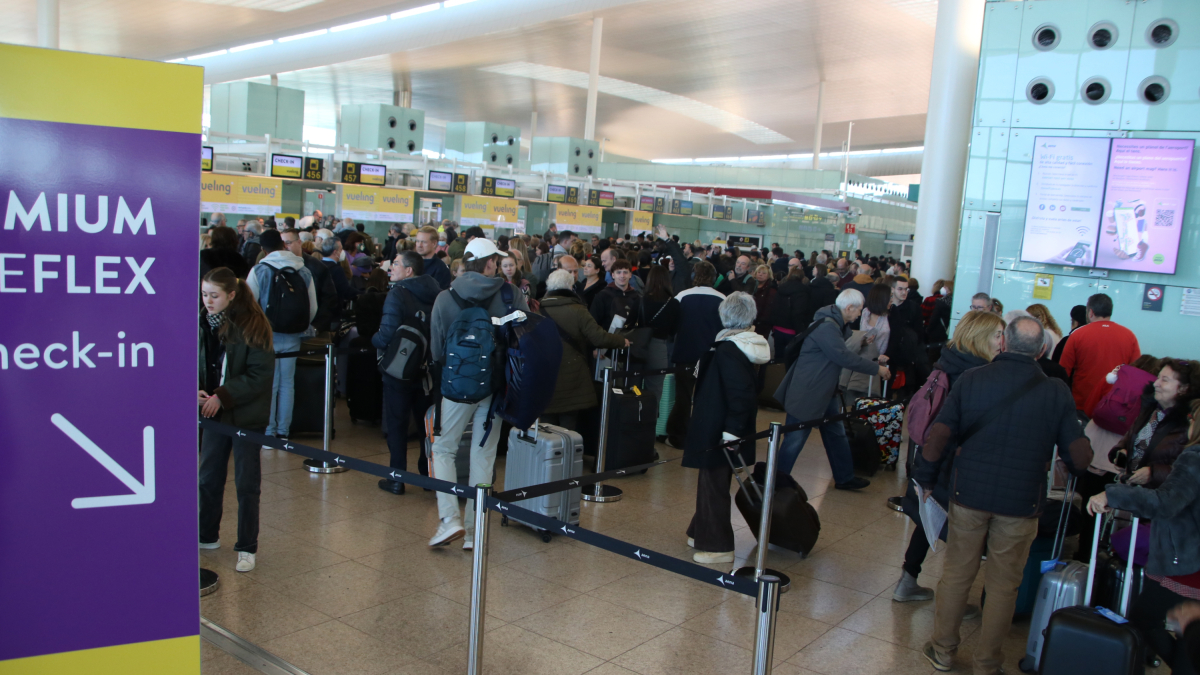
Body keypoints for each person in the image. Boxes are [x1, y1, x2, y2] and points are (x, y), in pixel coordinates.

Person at [917, 316, 1093, 675]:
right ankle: (987, 663)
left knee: (957, 575)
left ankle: (943, 651)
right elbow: (1079, 458)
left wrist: (926, 479)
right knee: (1003, 585)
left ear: (1003, 344)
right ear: (1042, 350)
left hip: (969, 495)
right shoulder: (1056, 390)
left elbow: (939, 435)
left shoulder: (971, 380)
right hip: (1021, 503)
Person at [893, 310, 1005, 604]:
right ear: (981, 337)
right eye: (997, 335)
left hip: (932, 455)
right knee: (961, 530)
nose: (1001, 341)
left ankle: (908, 579)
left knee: (929, 516)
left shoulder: (949, 361)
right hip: (954, 460)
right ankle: (952, 604)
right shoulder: (978, 374)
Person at [426, 238, 528, 548]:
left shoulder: (446, 297)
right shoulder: (509, 295)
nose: (497, 264)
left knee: (443, 449)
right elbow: (525, 337)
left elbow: (436, 347)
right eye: (494, 260)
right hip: (497, 386)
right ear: (487, 263)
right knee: (483, 453)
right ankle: (474, 531)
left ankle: (449, 520)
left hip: (457, 385)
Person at [1088, 399, 1200, 675]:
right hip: (1189, 557)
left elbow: (1166, 502)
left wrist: (1113, 494)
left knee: (1147, 618)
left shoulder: (1195, 456)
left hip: (1187, 561)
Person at [682, 292, 770, 564]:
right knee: (710, 481)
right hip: (720, 423)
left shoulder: (729, 350)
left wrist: (731, 431)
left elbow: (740, 393)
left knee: (713, 484)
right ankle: (700, 530)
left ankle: (718, 545)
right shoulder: (746, 345)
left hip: (720, 427)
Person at [198, 267, 276, 573]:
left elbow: (259, 375)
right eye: (204, 294)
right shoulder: (204, 323)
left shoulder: (254, 324)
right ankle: (206, 535)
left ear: (231, 295)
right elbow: (205, 363)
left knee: (247, 483)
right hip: (214, 412)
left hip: (245, 415)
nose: (208, 301)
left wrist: (222, 395)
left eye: (214, 295)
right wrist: (200, 390)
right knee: (208, 477)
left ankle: (247, 546)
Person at [775, 289, 889, 490]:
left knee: (836, 433)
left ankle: (844, 477)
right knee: (795, 438)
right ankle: (775, 481)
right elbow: (843, 357)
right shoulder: (828, 327)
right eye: (859, 310)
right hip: (809, 392)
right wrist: (876, 369)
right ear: (848, 308)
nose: (860, 314)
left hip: (823, 390)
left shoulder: (834, 323)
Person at [372, 251, 443, 495]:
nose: (391, 268)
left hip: (399, 371)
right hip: (427, 371)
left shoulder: (398, 293)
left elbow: (387, 332)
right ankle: (428, 477)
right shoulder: (437, 293)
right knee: (427, 426)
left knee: (397, 424)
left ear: (409, 270)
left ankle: (396, 479)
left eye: (395, 264)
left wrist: (374, 340)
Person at [246, 230, 317, 442]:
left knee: (270, 383)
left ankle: (268, 432)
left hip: (267, 336)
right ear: (283, 245)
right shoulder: (303, 270)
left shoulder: (259, 270)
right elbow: (312, 308)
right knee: (288, 383)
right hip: (294, 334)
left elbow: (250, 305)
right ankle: (283, 432)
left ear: (263, 249)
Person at [539, 269, 630, 431]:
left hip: (544, 374)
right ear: (570, 287)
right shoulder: (577, 309)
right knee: (569, 424)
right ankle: (568, 455)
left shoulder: (537, 308)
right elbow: (598, 337)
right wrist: (621, 340)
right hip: (573, 374)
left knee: (546, 423)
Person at [1108, 359, 1200, 489]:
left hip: (1159, 496)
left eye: (1165, 380)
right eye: (1158, 377)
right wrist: (1121, 451)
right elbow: (1129, 437)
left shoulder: (1190, 423)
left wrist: (1154, 473)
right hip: (1130, 491)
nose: (1156, 383)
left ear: (1184, 388)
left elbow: (1191, 468)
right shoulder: (1151, 409)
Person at [666, 261, 726, 448]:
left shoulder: (682, 296)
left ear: (693, 276)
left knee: (683, 397)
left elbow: (671, 326)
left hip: (684, 354)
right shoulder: (722, 299)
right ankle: (703, 436)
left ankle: (679, 436)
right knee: (705, 398)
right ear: (714, 278)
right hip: (710, 356)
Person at [1061, 293, 1142, 416]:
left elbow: (1063, 371)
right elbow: (1137, 372)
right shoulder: (1129, 336)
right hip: (1115, 404)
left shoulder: (1077, 335)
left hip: (1081, 403)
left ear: (1091, 312)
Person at [640, 265, 682, 416]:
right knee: (655, 392)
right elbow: (674, 330)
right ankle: (649, 429)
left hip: (638, 347)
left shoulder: (642, 300)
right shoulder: (673, 303)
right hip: (659, 347)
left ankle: (633, 427)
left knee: (634, 389)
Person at [280, 228, 337, 334]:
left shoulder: (316, 267)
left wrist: (317, 327)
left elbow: (329, 299)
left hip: (312, 329)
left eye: (288, 243)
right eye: (282, 244)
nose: (285, 248)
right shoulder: (278, 267)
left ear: (299, 242)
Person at [841, 284, 892, 399]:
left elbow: (896, 338)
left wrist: (887, 354)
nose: (891, 300)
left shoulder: (891, 315)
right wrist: (862, 339)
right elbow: (852, 333)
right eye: (889, 297)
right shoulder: (863, 313)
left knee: (878, 397)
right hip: (862, 358)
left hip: (883, 359)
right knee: (857, 394)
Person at [768, 265, 812, 359]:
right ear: (802, 278)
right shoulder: (803, 292)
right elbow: (798, 313)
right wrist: (801, 332)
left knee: (778, 358)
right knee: (791, 359)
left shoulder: (780, 289)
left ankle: (776, 373)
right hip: (792, 331)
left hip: (778, 328)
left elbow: (774, 307)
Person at [590, 259, 641, 333]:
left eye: (625, 272)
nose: (622, 276)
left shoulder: (636, 297)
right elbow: (594, 322)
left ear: (630, 275)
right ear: (613, 275)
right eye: (618, 272)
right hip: (608, 340)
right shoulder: (602, 296)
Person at [750, 264, 777, 340]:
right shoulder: (751, 286)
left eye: (764, 273)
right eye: (759, 272)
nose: (760, 274)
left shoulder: (771, 290)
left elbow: (768, 309)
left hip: (762, 324)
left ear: (769, 275)